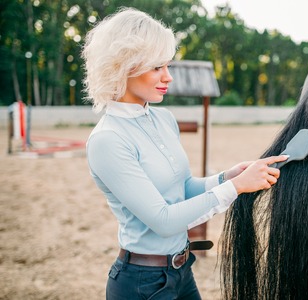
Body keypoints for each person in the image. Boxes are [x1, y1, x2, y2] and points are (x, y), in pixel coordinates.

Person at [82, 7, 288, 300]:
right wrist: (236, 188)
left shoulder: (163, 118)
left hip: (181, 272)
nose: (168, 77)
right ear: (123, 66)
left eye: (167, 65)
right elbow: (164, 220)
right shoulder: (107, 140)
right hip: (142, 284)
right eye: (157, 68)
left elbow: (183, 188)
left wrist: (227, 176)